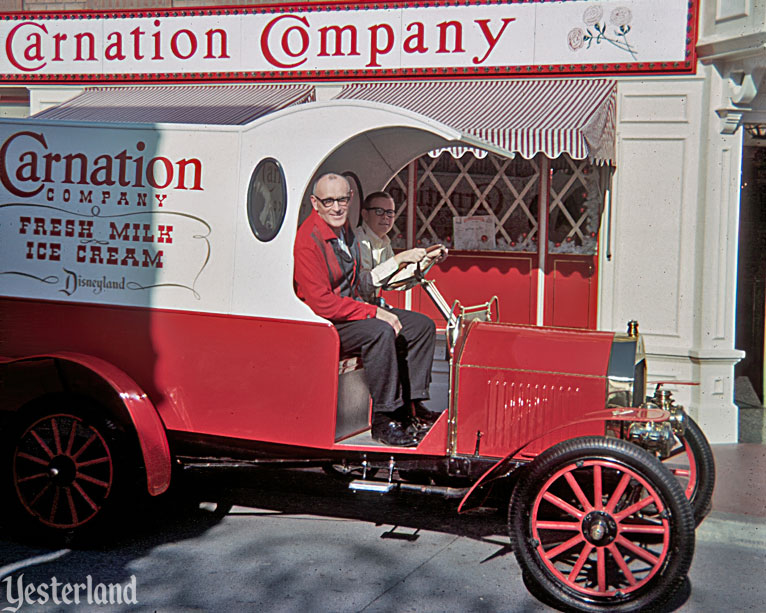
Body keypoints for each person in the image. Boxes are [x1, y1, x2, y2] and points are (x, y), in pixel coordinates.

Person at [293, 173, 437, 447]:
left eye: (342, 200)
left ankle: (412, 407)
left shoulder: (344, 229)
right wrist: (373, 312)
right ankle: (385, 418)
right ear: (315, 202)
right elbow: (321, 303)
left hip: (351, 311)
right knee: (380, 331)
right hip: (325, 323)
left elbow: (360, 279)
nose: (336, 207)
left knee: (421, 326)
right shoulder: (308, 240)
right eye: (328, 201)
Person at [354, 191, 448, 428]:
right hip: (356, 310)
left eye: (391, 213)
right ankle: (389, 412)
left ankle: (413, 401)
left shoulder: (382, 242)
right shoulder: (357, 240)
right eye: (380, 212)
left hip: (374, 307)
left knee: (423, 326)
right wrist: (400, 258)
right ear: (364, 213)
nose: (386, 218)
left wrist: (425, 261)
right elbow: (365, 283)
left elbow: (393, 283)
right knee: (390, 328)